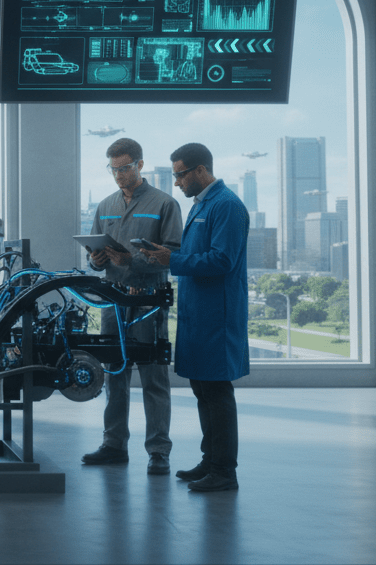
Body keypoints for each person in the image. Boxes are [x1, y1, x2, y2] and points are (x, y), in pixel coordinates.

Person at [140, 142, 249, 493]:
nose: (177, 184)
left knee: (217, 392)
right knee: (203, 389)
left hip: (216, 315)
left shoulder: (227, 206)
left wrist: (171, 261)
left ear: (200, 170)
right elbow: (195, 255)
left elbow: (221, 260)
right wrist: (167, 255)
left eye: (180, 175)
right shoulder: (203, 205)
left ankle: (224, 471)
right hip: (197, 312)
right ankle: (209, 460)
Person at [81, 137, 183, 476]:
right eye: (113, 169)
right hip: (113, 299)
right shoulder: (106, 205)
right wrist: (96, 259)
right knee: (114, 373)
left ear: (139, 164)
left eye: (125, 168)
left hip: (148, 298)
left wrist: (133, 259)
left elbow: (172, 255)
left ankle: (158, 451)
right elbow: (95, 257)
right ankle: (114, 444)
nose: (119, 175)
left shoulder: (164, 204)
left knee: (153, 376)